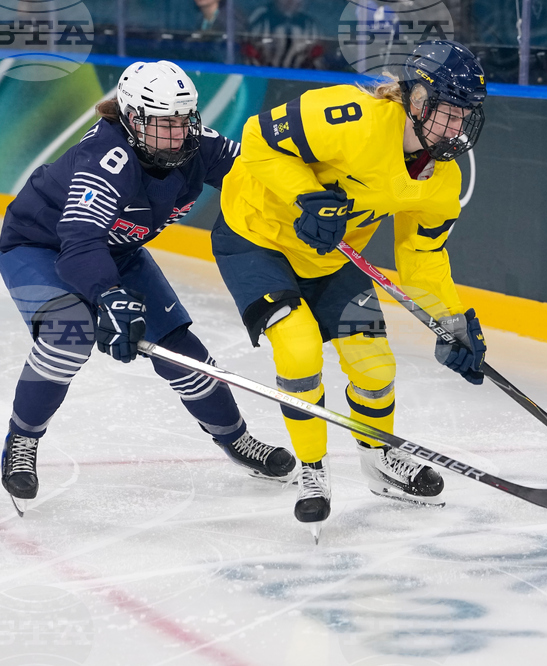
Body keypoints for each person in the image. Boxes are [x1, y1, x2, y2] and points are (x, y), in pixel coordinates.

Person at [212, 40, 489, 536]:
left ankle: (380, 458)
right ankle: (312, 469)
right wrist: (306, 196)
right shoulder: (351, 118)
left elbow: (423, 256)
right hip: (257, 239)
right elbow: (256, 138)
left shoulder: (441, 181)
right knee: (299, 349)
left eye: (465, 117)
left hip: (332, 256)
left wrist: (451, 322)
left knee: (375, 366)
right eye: (450, 113)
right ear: (418, 100)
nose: (457, 128)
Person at [0, 60, 295, 515]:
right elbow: (79, 242)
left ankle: (236, 439)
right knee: (68, 335)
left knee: (183, 351)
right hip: (43, 246)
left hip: (117, 251)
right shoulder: (106, 159)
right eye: (163, 123)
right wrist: (109, 296)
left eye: (183, 120)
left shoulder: (198, 144)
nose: (177, 134)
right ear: (132, 118)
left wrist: (306, 198)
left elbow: (258, 173)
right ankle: (22, 441)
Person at [241, 0, 324, 69]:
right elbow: (247, 51)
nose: (290, 2)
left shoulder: (311, 25)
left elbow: (317, 57)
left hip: (300, 78)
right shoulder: (259, 19)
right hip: (261, 76)